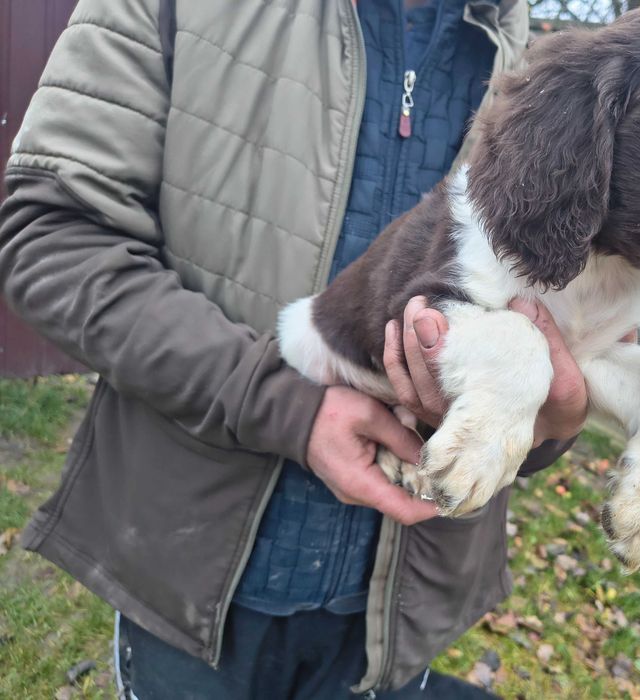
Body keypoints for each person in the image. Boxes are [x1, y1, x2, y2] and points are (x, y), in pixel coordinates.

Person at [0, 0, 594, 697]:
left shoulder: (546, 67)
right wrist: (280, 403)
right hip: (191, 574)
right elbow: (51, 239)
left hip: (401, 607)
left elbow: (550, 324)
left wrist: (540, 426)